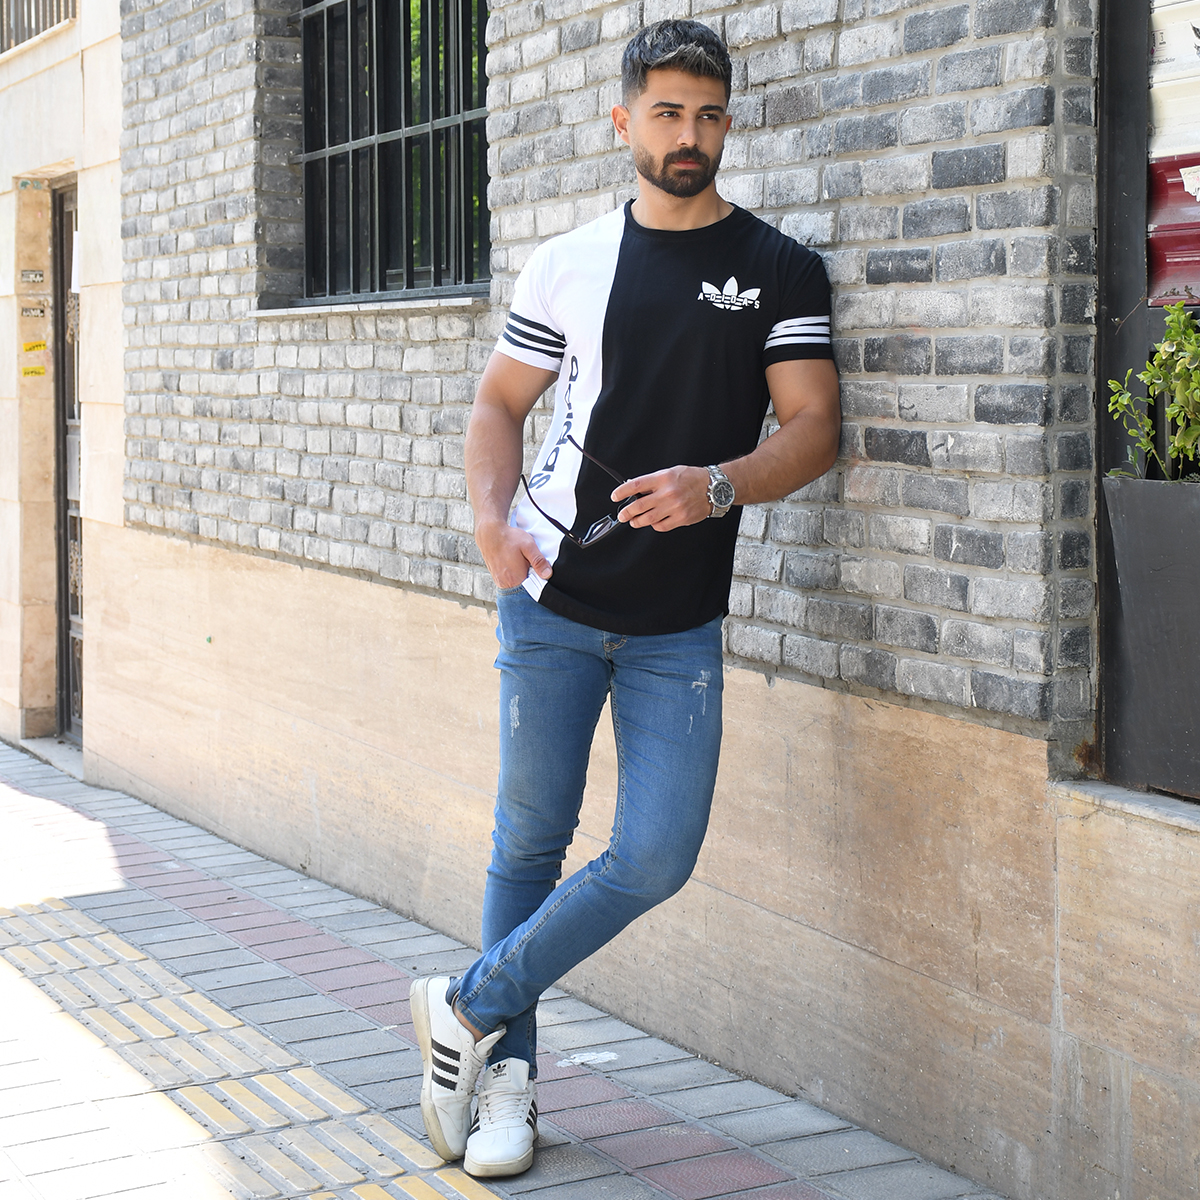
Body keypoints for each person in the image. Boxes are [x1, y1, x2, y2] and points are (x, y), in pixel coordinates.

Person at [409, 18, 842, 1179]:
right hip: (551, 600)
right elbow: (499, 404)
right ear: (624, 122)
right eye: (666, 113)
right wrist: (492, 525)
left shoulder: (780, 269)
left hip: (678, 627)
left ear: (728, 124)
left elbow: (813, 428)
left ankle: (466, 1003)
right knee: (530, 843)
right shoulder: (570, 262)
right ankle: (507, 1090)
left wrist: (718, 485)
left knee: (655, 854)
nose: (688, 135)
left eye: (707, 115)